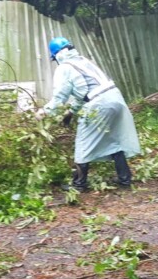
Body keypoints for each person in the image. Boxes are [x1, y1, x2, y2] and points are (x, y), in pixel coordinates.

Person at [35, 37, 141, 191]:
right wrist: (71, 112)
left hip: (99, 104)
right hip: (116, 98)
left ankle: (79, 184)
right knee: (113, 138)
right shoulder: (84, 61)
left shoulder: (64, 67)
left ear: (57, 55)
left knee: (83, 141)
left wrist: (44, 112)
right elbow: (84, 92)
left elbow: (60, 97)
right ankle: (125, 179)